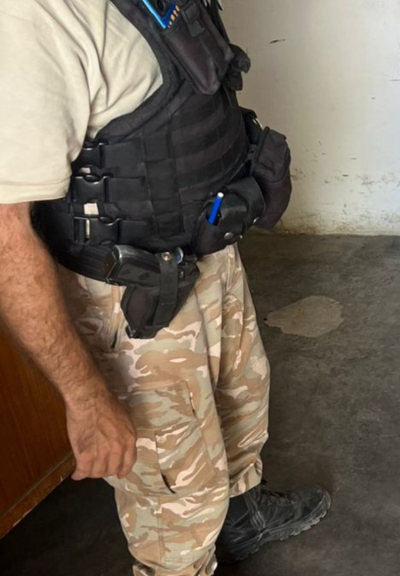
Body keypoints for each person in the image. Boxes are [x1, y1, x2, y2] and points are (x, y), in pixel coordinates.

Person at [0, 0, 329, 573]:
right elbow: (7, 238)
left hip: (206, 249)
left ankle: (243, 517)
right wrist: (86, 399)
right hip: (131, 296)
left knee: (242, 397)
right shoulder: (31, 20)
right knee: (175, 488)